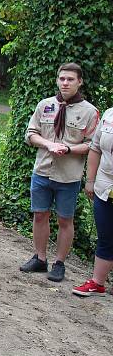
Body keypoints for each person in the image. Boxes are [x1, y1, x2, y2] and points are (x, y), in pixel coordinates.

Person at [20, 63, 98, 282]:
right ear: (57, 80)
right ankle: (40, 258)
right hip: (42, 171)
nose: (65, 83)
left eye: (70, 79)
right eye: (62, 78)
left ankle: (60, 264)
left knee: (65, 220)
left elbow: (93, 145)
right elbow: (31, 134)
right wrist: (48, 144)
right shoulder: (44, 105)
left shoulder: (90, 112)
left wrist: (69, 149)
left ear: (79, 82)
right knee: (40, 214)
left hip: (68, 176)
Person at [73, 104, 113, 296]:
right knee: (106, 237)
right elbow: (95, 148)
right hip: (105, 188)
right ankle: (97, 283)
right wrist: (90, 180)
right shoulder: (109, 114)